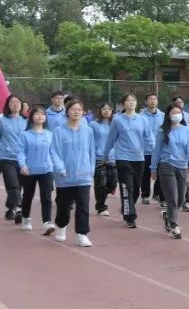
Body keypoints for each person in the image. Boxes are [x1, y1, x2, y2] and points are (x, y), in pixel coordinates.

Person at [103, 93, 153, 229]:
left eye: (133, 101)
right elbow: (111, 138)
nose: (131, 103)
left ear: (136, 103)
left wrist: (155, 151)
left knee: (136, 189)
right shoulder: (117, 120)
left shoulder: (142, 120)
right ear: (123, 104)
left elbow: (149, 137)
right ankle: (130, 217)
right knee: (127, 187)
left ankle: (126, 207)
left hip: (139, 158)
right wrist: (106, 154)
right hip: (123, 158)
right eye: (128, 101)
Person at [51, 98, 94, 246]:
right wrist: (60, 168)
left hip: (83, 175)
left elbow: (91, 152)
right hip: (64, 176)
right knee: (63, 206)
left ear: (83, 113)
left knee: (83, 206)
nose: (76, 112)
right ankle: (61, 226)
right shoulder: (59, 131)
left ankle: (82, 234)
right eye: (73, 109)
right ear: (67, 112)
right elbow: (55, 152)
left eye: (79, 110)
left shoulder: (88, 131)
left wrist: (91, 169)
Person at [151, 103, 189, 240]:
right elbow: (157, 151)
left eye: (179, 112)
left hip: (182, 166)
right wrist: (153, 169)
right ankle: (174, 226)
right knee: (172, 197)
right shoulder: (163, 131)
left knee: (181, 199)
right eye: (174, 113)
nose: (177, 115)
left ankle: (168, 216)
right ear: (168, 115)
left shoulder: (187, 130)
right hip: (167, 165)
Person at [17, 105, 63, 232]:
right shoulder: (25, 135)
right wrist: (22, 164)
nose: (40, 116)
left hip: (46, 169)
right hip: (29, 170)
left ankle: (47, 222)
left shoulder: (50, 134)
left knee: (46, 197)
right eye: (37, 114)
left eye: (43, 114)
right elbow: (20, 152)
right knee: (28, 196)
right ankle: (26, 217)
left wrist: (59, 167)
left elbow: (54, 153)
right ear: (31, 117)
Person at [0, 95, 27, 224]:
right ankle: (19, 208)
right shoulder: (1, 120)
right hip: (5, 157)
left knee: (19, 186)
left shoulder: (26, 120)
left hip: (22, 158)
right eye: (12, 102)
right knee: (12, 184)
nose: (15, 104)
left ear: (21, 105)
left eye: (18, 102)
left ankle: (11, 208)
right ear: (8, 105)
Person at [90, 103, 118, 216]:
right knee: (100, 184)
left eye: (109, 109)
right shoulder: (93, 125)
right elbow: (90, 141)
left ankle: (105, 193)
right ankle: (101, 207)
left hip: (113, 158)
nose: (106, 111)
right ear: (100, 111)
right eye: (104, 109)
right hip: (99, 158)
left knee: (113, 183)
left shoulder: (115, 124)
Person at [139, 93, 166, 205]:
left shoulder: (163, 116)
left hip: (159, 151)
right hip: (145, 151)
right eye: (150, 99)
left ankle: (157, 193)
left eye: (155, 99)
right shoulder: (140, 116)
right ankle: (145, 195)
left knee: (161, 174)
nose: (153, 101)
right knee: (145, 175)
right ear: (146, 102)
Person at [171, 96, 189, 211]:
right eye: (178, 102)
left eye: (182, 102)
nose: (180, 103)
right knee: (171, 184)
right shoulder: (166, 127)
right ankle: (170, 204)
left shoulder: (186, 118)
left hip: (183, 160)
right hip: (169, 161)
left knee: (184, 182)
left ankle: (185, 201)